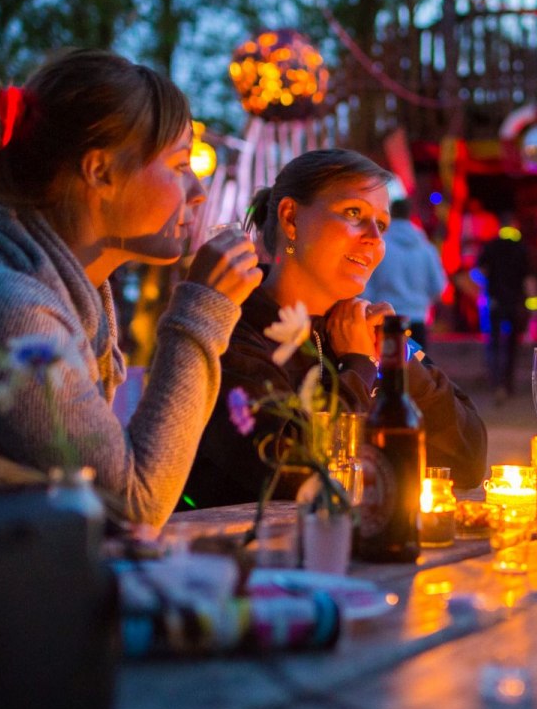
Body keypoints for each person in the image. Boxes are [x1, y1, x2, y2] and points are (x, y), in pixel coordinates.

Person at [0, 49, 261, 531]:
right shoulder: (1, 309)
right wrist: (202, 313)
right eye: (180, 163)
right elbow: (136, 505)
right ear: (100, 172)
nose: (199, 190)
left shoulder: (38, 286)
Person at [188, 149, 487, 508]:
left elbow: (467, 461)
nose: (375, 238)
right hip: (242, 556)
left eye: (382, 224)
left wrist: (397, 362)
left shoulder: (363, 330)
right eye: (354, 213)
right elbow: (287, 469)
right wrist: (357, 366)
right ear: (290, 217)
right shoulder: (231, 330)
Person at [362, 198, 447, 351]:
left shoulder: (380, 246)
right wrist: (421, 302)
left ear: (391, 213)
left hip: (386, 320)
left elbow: (366, 286)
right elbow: (439, 286)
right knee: (419, 371)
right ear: (410, 214)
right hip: (418, 320)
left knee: (389, 371)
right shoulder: (426, 248)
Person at [477, 213, 533, 402]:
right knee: (511, 346)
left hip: (494, 301)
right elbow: (528, 279)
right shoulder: (521, 248)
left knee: (493, 342)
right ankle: (508, 383)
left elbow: (479, 272)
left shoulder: (491, 246)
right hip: (514, 303)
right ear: (514, 224)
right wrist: (534, 304)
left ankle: (495, 382)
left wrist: (483, 290)